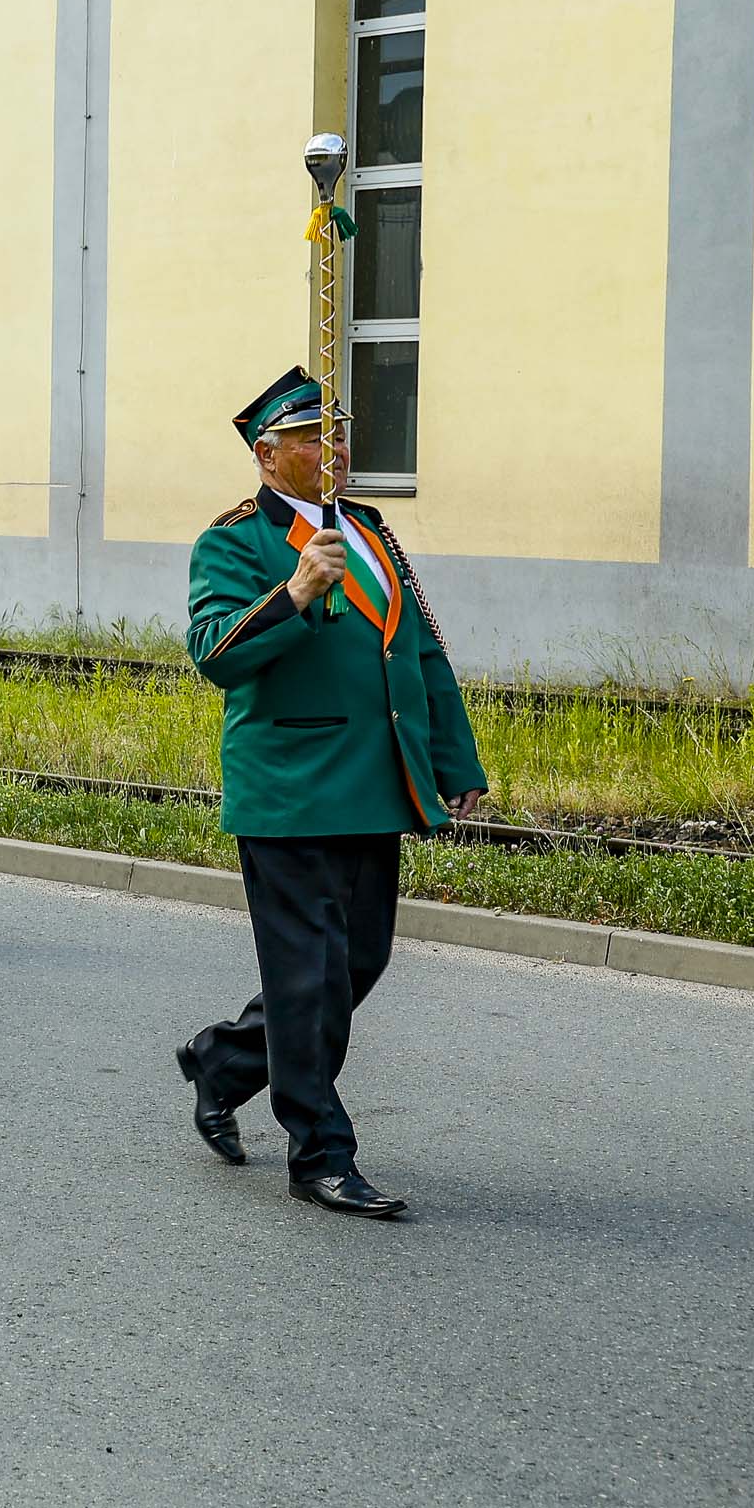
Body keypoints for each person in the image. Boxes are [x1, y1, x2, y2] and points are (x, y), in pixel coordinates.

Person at [177, 368, 488, 1219]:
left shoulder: (372, 530)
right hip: (291, 788)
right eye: (313, 437)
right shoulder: (236, 542)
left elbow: (419, 651)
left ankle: (228, 1061)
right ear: (268, 455)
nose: (334, 449)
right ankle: (319, 1152)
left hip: (373, 784)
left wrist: (454, 762)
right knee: (311, 978)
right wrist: (297, 592)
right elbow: (216, 653)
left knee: (355, 963)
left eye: (338, 433)